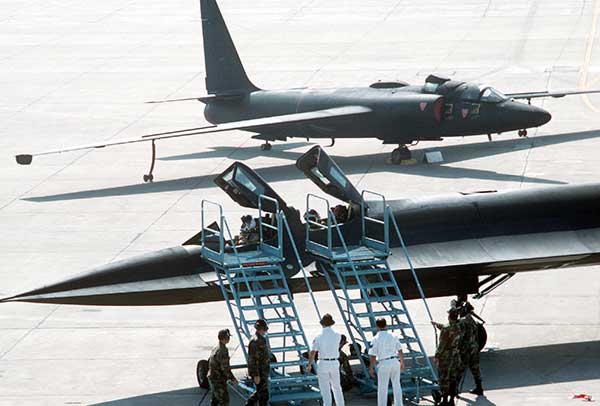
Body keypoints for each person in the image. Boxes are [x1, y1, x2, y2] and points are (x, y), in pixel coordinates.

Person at [307, 314, 345, 406]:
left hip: (323, 362)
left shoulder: (318, 336)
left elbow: (313, 352)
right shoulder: (338, 335)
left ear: (322, 324)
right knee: (337, 387)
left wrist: (309, 364)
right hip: (334, 362)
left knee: (325, 388)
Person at [368, 318, 405, 406]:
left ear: (377, 326)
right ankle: (399, 404)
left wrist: (371, 367)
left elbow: (373, 355)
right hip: (395, 361)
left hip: (384, 363)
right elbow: (400, 350)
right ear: (386, 325)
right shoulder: (393, 335)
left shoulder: (375, 338)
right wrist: (402, 362)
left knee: (382, 388)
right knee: (397, 385)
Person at [432, 309, 463, 406]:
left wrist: (437, 356)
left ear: (449, 316)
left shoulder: (446, 329)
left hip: (446, 357)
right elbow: (449, 329)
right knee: (453, 378)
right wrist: (437, 324)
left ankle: (444, 401)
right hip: (455, 356)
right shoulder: (459, 326)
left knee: (444, 378)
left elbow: (442, 344)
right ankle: (452, 400)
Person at [457, 300, 484, 396]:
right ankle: (479, 388)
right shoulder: (474, 321)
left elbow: (455, 332)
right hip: (474, 347)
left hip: (466, 349)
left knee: (460, 368)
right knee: (475, 368)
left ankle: (455, 390)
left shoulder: (462, 321)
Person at [208, 329, 238, 406]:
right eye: (228, 338)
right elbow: (225, 367)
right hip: (218, 379)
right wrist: (232, 378)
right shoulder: (223, 350)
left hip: (213, 377)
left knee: (215, 400)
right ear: (224, 338)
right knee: (224, 401)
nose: (229, 339)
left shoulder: (216, 347)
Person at [246, 319, 270, 406]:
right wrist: (256, 375)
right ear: (261, 329)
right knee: (263, 395)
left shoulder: (260, 339)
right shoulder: (255, 341)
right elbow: (253, 359)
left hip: (262, 371)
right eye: (264, 329)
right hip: (259, 371)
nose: (265, 331)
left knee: (260, 393)